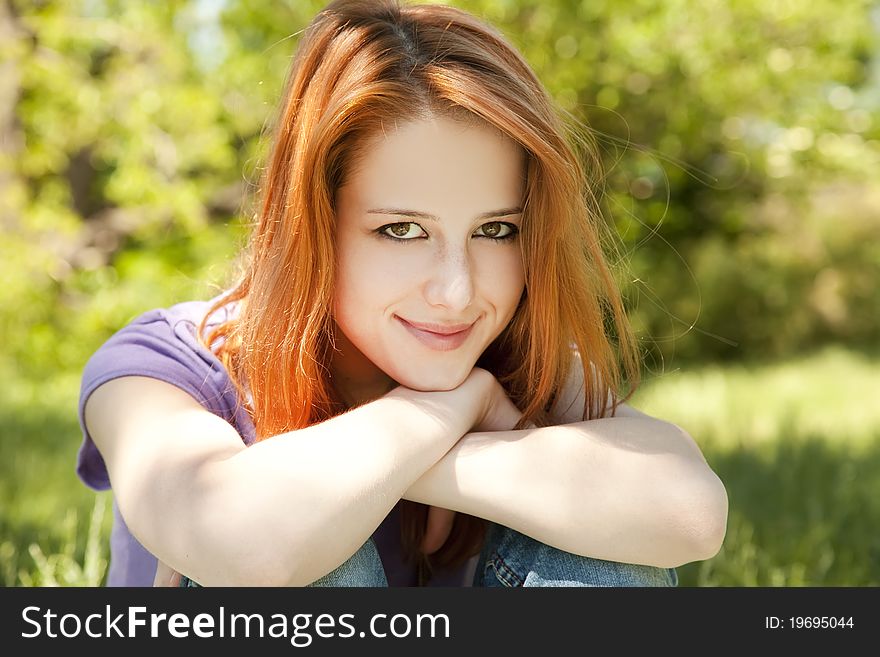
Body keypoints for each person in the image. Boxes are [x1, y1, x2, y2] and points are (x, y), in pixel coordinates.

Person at [77, 0, 728, 588]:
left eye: (496, 230)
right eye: (402, 229)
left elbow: (690, 511)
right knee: (308, 539)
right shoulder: (161, 369)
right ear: (315, 227)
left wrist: (425, 462)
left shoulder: (513, 363)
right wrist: (448, 409)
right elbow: (243, 539)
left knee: (604, 545)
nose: (457, 291)